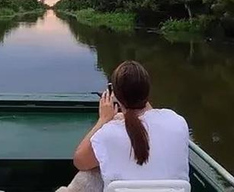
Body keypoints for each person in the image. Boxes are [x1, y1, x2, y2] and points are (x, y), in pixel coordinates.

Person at [61, 61, 189, 191]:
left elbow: (80, 161)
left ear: (115, 95)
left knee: (89, 174)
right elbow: (149, 122)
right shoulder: (177, 122)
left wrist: (103, 119)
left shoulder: (108, 134)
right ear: (147, 90)